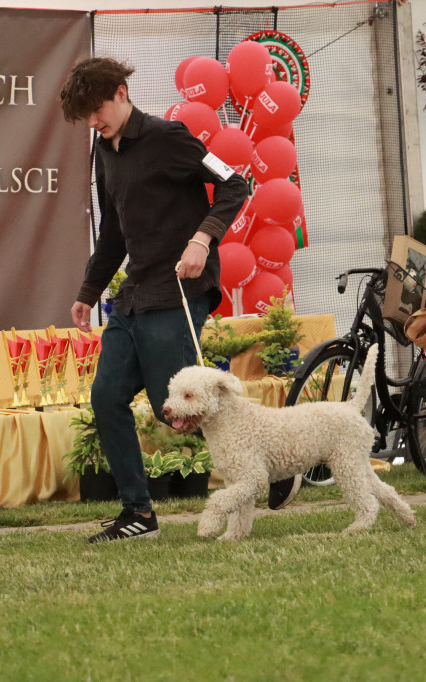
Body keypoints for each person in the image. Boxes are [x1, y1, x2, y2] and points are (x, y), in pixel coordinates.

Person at [59, 57, 248, 543]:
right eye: (86, 118)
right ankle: (138, 515)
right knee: (106, 398)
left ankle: (269, 467)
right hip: (134, 295)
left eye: (97, 110)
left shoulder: (169, 136)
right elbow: (115, 233)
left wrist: (202, 239)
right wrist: (87, 291)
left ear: (121, 93)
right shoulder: (104, 152)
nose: (93, 123)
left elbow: (234, 184)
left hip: (180, 290)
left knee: (192, 410)